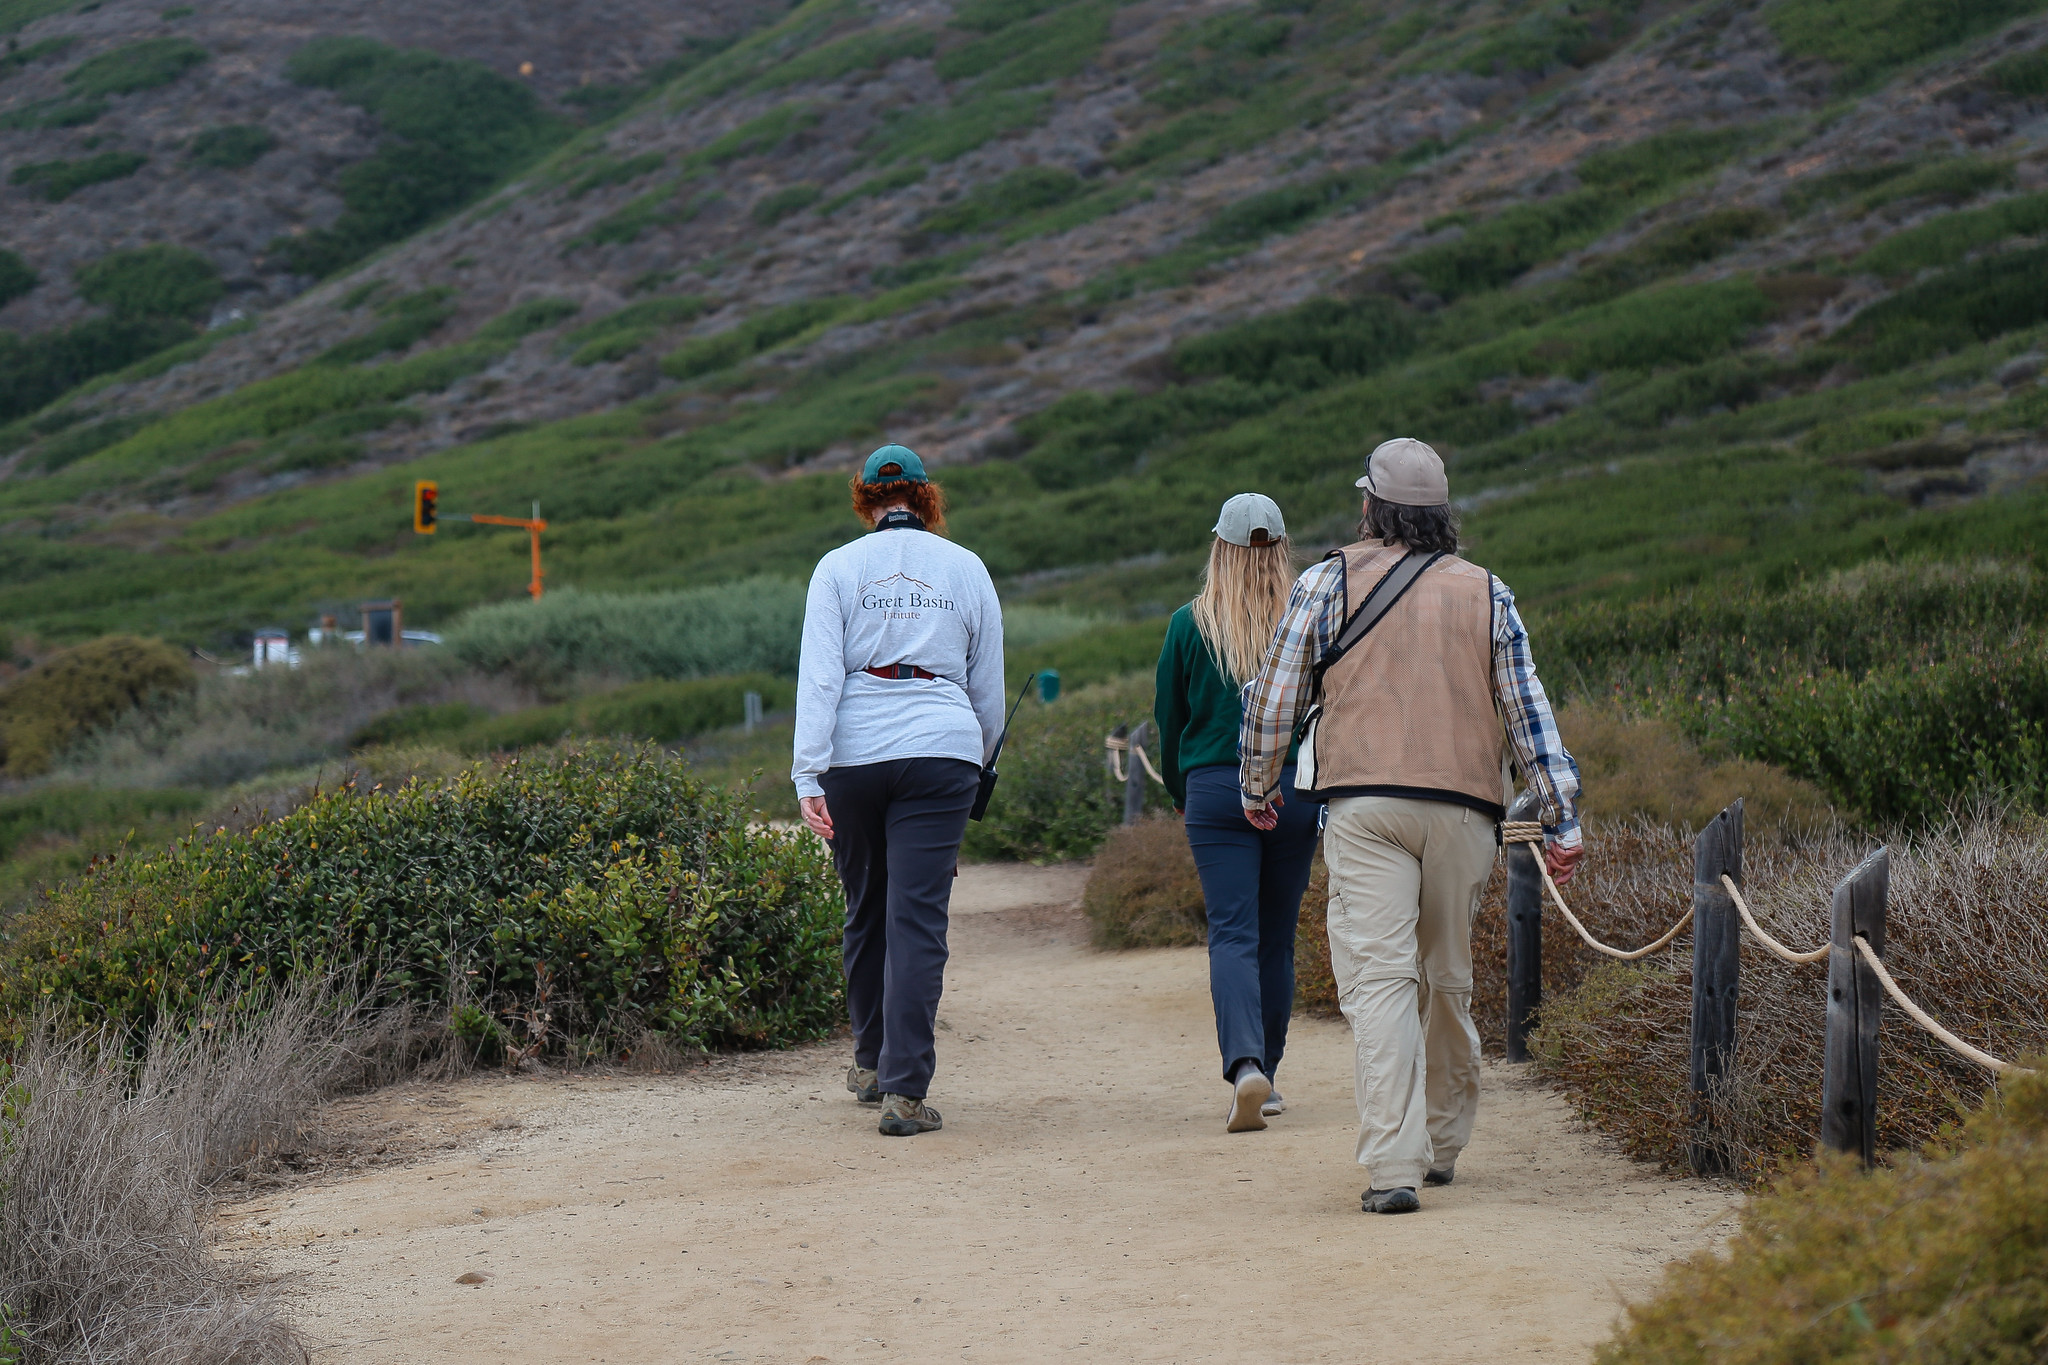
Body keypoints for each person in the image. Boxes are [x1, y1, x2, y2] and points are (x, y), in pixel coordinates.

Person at [1239, 437, 1583, 1214]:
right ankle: (1444, 1142)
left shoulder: (1327, 580)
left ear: (1372, 506)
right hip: (1466, 809)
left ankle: (1393, 1164)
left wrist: (1259, 785)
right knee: (1447, 978)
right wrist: (1561, 814)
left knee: (1380, 981)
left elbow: (1273, 697)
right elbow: (1529, 711)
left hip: (1365, 805)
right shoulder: (1487, 591)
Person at [794, 444, 1005, 1138]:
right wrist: (977, 764)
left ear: (866, 498)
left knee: (865, 907)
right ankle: (906, 1091)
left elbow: (821, 678)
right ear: (925, 496)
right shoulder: (967, 567)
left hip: (852, 753)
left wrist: (807, 772)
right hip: (941, 746)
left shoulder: (836, 568)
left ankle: (868, 1062)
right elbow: (988, 692)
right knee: (917, 918)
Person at [1154, 493, 1320, 1134]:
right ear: (1282, 550)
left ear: (1218, 550)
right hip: (1293, 788)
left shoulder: (1187, 625)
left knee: (1231, 934)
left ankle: (1244, 1063)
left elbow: (1170, 724)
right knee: (1277, 936)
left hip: (1215, 790)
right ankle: (1270, 1077)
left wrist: (1179, 789)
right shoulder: (1308, 623)